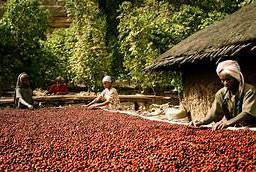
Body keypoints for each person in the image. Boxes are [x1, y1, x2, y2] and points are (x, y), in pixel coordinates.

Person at [191, 60, 256, 130]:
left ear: (236, 78)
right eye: (222, 80)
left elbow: (247, 113)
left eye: (228, 80)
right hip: (235, 128)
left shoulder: (249, 91)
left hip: (252, 127)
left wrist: (227, 123)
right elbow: (213, 113)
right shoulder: (221, 94)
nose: (225, 83)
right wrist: (201, 122)